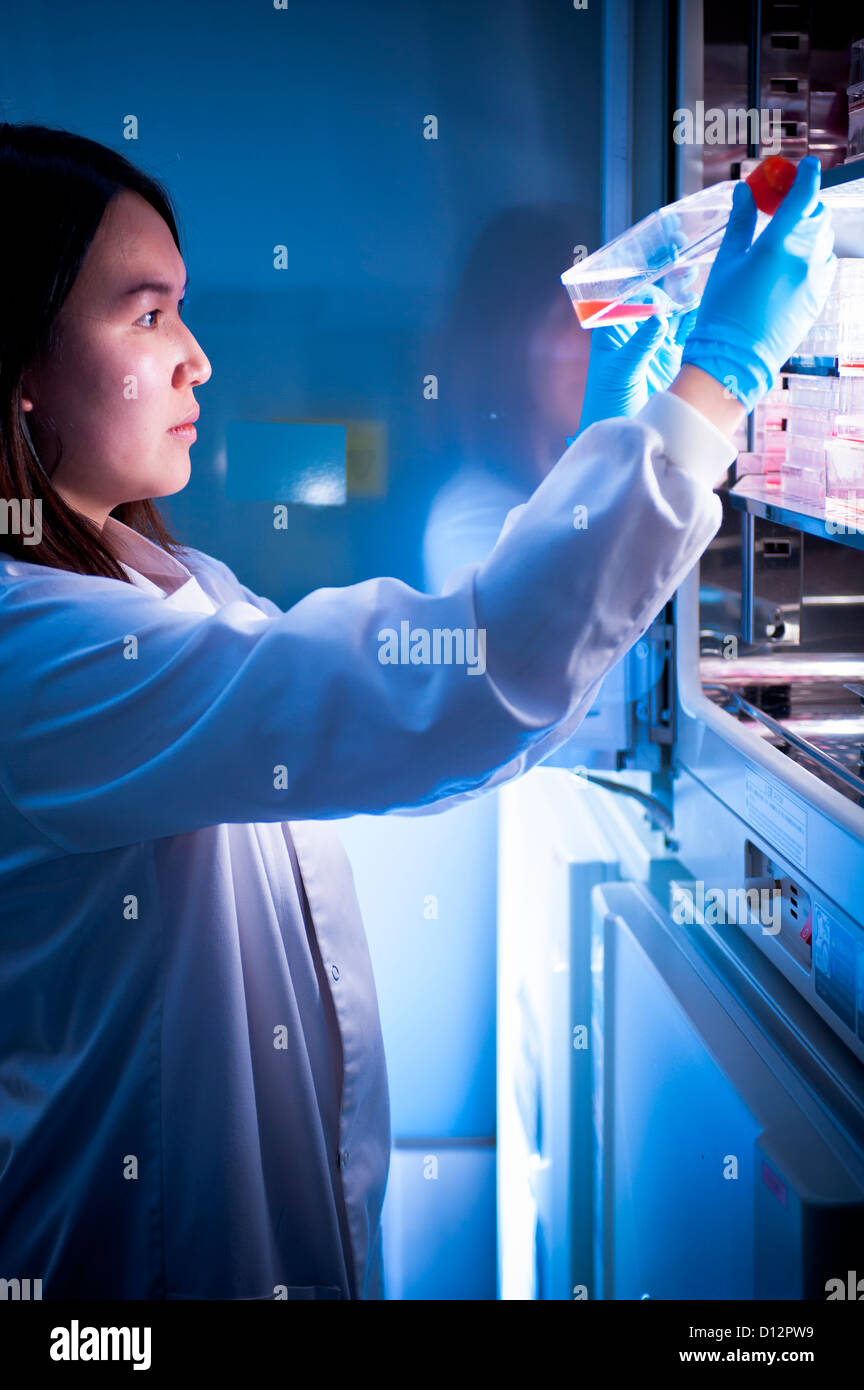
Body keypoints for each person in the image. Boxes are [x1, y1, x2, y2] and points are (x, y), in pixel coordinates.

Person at [0, 123, 835, 1300]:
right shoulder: (35, 654)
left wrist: (613, 443)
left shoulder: (154, 587)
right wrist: (710, 388)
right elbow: (442, 688)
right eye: (146, 316)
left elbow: (446, 708)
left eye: (181, 311)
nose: (197, 359)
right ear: (20, 365)